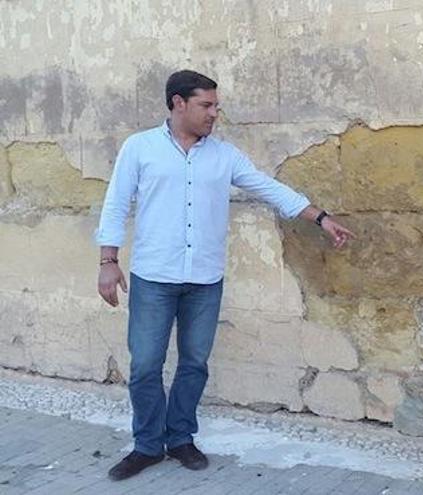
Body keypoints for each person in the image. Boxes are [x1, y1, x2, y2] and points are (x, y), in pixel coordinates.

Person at [95, 70, 354, 481]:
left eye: (215, 105)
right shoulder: (139, 148)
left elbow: (269, 188)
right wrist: (108, 261)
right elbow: (115, 204)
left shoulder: (224, 155)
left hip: (204, 279)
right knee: (145, 364)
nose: (215, 113)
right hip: (153, 277)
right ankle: (147, 445)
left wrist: (319, 217)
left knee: (195, 363)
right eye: (206, 105)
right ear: (178, 103)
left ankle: (180, 438)